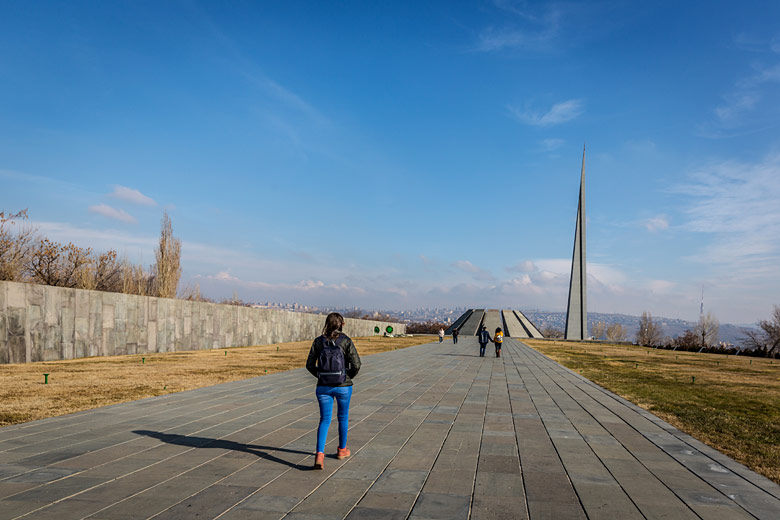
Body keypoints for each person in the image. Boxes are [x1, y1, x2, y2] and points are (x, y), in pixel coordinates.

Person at [306, 312, 361, 470]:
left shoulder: (318, 342)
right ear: (342, 324)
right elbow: (357, 364)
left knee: (324, 419)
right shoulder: (346, 341)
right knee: (343, 417)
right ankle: (342, 450)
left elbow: (309, 365)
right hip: (343, 387)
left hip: (323, 387)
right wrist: (346, 376)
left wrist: (321, 376)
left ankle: (319, 455)